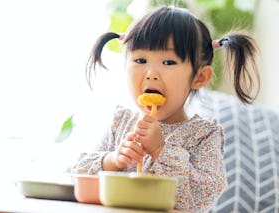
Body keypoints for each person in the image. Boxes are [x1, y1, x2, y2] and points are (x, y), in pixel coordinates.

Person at [72, 5, 260, 212]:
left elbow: (201, 196)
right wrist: (113, 160)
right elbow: (78, 174)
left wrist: (161, 150)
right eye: (140, 60)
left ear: (199, 77)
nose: (151, 73)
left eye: (169, 62)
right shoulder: (121, 122)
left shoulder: (204, 135)